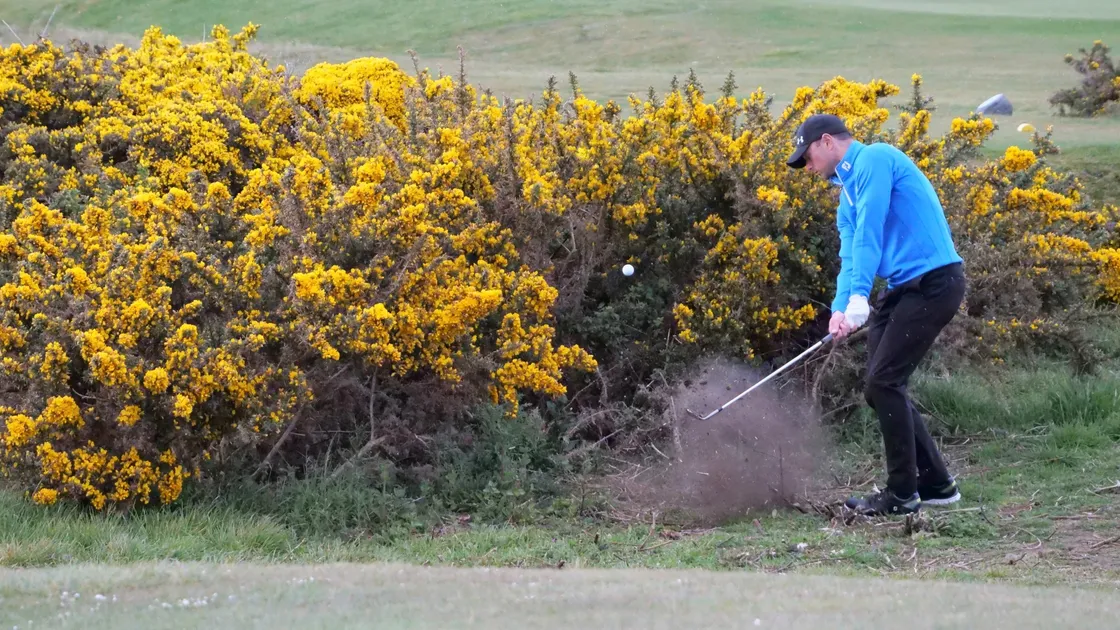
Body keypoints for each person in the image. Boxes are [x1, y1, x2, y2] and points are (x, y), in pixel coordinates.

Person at [786, 113, 967, 516]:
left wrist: (859, 299)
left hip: (935, 282)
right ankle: (937, 483)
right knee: (880, 387)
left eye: (808, 157)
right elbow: (850, 254)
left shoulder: (876, 160)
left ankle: (903, 494)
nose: (807, 167)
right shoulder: (844, 196)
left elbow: (871, 230)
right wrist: (840, 308)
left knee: (885, 383)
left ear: (828, 142)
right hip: (904, 289)